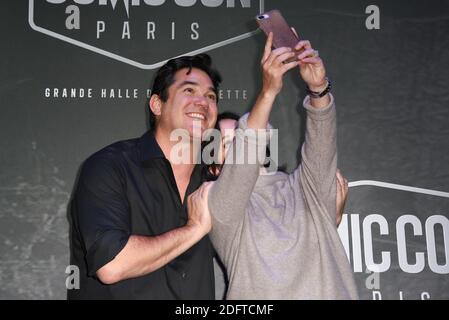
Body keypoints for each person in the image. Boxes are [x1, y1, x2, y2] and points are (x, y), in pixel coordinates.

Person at [190, 32, 359, 299]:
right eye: (229, 144)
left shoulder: (303, 188)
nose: (239, 147)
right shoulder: (217, 206)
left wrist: (318, 88)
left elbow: (322, 144)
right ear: (213, 167)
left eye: (240, 138)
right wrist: (269, 90)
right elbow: (246, 153)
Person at [68, 54, 221, 299]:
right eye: (189, 90)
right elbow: (112, 264)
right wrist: (194, 228)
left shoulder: (215, 182)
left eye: (211, 96)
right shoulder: (109, 166)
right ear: (157, 105)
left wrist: (276, 91)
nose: (202, 102)